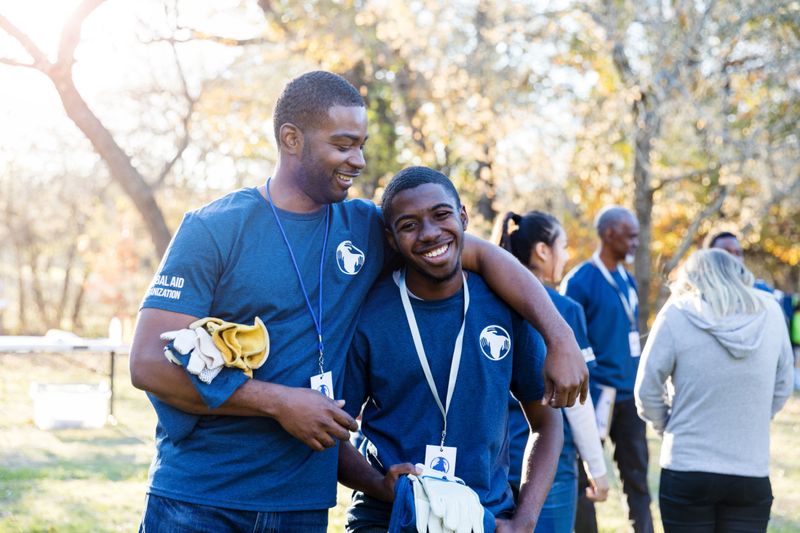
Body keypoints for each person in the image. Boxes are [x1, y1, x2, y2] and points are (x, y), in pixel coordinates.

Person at [129, 71, 588, 532]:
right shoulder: (216, 227)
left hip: (301, 503)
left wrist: (560, 336)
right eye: (344, 144)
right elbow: (148, 363)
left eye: (361, 144)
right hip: (199, 496)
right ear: (292, 139)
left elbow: (478, 253)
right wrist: (278, 402)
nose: (359, 160)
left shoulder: (367, 227)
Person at [337, 167, 563, 532]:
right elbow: (331, 432)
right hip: (388, 517)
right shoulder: (367, 315)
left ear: (463, 217)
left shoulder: (503, 306)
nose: (429, 233)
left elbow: (547, 421)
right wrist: (378, 485)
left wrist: (525, 518)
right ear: (392, 240)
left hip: (484, 516)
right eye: (409, 225)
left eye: (441, 215)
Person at [634, 249, 793, 533]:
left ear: (692, 277)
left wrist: (667, 425)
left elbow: (646, 390)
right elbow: (783, 385)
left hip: (687, 466)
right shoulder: (771, 312)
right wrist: (751, 418)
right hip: (749, 469)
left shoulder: (677, 312)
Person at [494, 210, 609, 533]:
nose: (567, 255)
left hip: (490, 463)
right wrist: (597, 470)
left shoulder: (483, 299)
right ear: (543, 250)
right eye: (564, 245)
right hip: (548, 467)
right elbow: (577, 398)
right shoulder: (564, 310)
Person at [561, 205, 654, 533]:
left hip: (629, 396)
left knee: (638, 479)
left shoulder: (627, 280)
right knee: (586, 478)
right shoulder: (579, 282)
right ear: (609, 234)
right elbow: (569, 343)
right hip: (597, 395)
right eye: (630, 236)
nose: (635, 243)